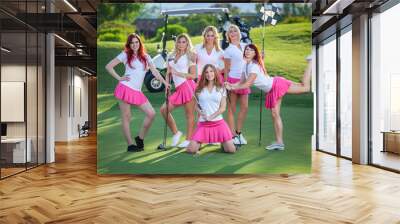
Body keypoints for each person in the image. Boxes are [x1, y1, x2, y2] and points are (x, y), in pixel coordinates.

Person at [225, 44, 312, 150]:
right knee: (275, 114)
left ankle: (311, 61)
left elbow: (247, 84)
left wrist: (232, 88)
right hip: (271, 89)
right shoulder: (246, 65)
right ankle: (279, 143)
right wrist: (231, 85)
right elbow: (241, 82)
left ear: (254, 54)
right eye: (246, 49)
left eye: (251, 50)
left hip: (276, 85)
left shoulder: (254, 66)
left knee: (305, 88)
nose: (248, 51)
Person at [105, 33, 168, 152]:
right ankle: (130, 145)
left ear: (140, 43)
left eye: (136, 42)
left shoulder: (146, 57)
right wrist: (119, 78)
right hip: (125, 88)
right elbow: (109, 66)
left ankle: (140, 138)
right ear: (129, 45)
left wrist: (165, 83)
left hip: (137, 91)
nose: (134, 45)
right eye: (132, 43)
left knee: (151, 113)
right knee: (127, 116)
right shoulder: (125, 55)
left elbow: (155, 72)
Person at [187, 64, 236, 154]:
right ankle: (200, 142)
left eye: (211, 71)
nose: (209, 74)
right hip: (203, 123)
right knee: (191, 150)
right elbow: (196, 106)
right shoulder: (199, 89)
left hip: (218, 123)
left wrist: (211, 117)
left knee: (231, 150)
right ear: (204, 75)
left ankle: (222, 141)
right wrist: (201, 113)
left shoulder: (221, 88)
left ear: (215, 73)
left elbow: (223, 108)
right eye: (206, 72)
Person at [160, 34, 197, 148]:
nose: (181, 44)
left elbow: (193, 75)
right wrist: (167, 85)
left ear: (187, 43)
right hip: (178, 88)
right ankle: (176, 133)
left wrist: (178, 73)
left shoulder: (190, 56)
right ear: (176, 43)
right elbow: (168, 72)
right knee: (164, 110)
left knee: (189, 115)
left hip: (188, 86)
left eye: (184, 42)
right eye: (179, 42)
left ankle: (189, 139)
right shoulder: (171, 55)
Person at [223, 24, 249, 145]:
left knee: (244, 107)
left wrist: (261, 57)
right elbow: (226, 69)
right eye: (230, 32)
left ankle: (238, 133)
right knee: (231, 109)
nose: (233, 33)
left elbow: (252, 61)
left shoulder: (246, 47)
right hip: (232, 80)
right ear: (228, 35)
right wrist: (226, 84)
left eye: (235, 31)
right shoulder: (228, 50)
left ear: (239, 33)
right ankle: (232, 135)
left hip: (244, 81)